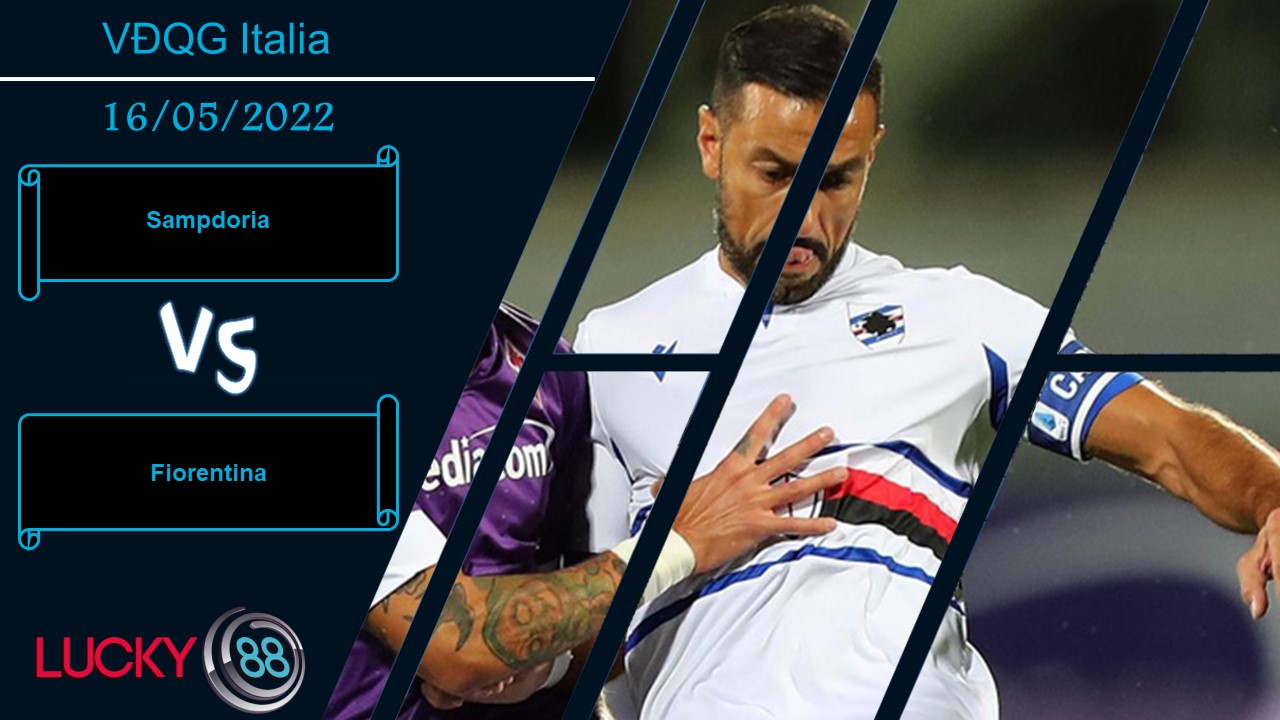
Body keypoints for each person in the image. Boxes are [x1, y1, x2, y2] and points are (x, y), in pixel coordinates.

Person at [574, 5, 1280, 719]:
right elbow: (571, 642)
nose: (805, 219)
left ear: (872, 153)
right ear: (711, 143)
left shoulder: (962, 318)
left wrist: (1271, 497)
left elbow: (1170, 439)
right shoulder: (611, 349)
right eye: (775, 173)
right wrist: (683, 540)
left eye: (837, 180)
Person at [324, 302, 845, 719]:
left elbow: (589, 629)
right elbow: (459, 644)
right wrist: (678, 543)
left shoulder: (545, 363)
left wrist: (543, 666)